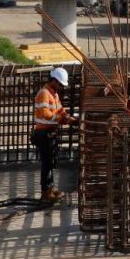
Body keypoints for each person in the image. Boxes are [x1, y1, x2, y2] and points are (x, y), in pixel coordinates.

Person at [31, 67, 78, 202]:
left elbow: (61, 110)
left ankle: (50, 189)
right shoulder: (44, 93)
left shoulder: (54, 94)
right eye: (59, 84)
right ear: (53, 80)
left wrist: (70, 118)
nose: (61, 87)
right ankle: (46, 192)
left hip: (50, 132)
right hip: (43, 132)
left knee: (51, 162)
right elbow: (45, 114)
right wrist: (62, 119)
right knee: (46, 163)